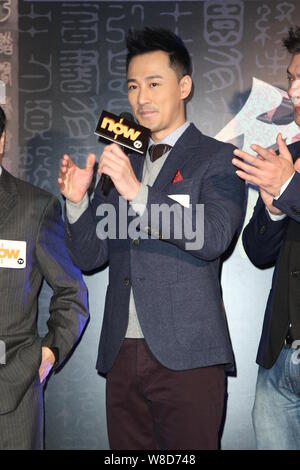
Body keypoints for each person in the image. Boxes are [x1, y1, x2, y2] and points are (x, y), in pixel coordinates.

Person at [59, 28, 245, 450]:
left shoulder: (217, 158)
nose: (141, 97)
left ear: (184, 86)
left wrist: (137, 192)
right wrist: (76, 204)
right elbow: (91, 257)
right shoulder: (121, 162)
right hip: (121, 355)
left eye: (154, 84)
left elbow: (213, 236)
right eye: (133, 86)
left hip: (189, 357)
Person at [0, 105, 89, 450]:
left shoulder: (33, 207)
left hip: (12, 394)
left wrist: (49, 352)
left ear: (2, 139)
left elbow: (71, 292)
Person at [232, 26, 300, 450]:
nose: (293, 90)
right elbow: (258, 253)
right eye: (292, 78)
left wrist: (290, 187)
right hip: (278, 361)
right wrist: (274, 206)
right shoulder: (289, 152)